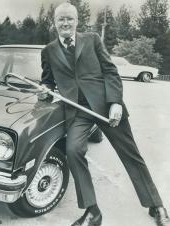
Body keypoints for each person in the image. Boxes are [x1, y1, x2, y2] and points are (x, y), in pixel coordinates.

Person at [39, 3, 169, 226]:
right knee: (73, 151)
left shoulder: (92, 40)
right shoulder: (48, 51)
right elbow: (48, 81)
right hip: (78, 111)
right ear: (55, 22)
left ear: (77, 21)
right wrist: (44, 90)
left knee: (131, 154)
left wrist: (115, 102)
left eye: (70, 18)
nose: (65, 23)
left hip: (105, 107)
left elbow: (110, 71)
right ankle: (92, 211)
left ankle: (156, 204)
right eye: (61, 19)